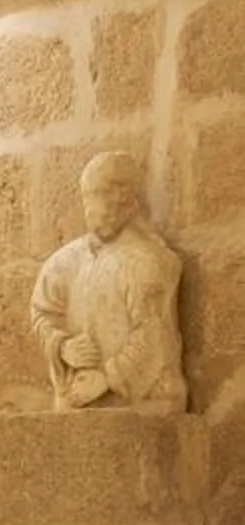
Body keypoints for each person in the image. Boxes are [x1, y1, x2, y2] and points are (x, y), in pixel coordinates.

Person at [30, 150, 186, 411]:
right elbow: (43, 313)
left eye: (99, 193)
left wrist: (108, 377)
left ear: (125, 199)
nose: (91, 205)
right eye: (87, 195)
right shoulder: (63, 263)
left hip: (143, 406)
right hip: (75, 400)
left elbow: (154, 333)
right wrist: (62, 346)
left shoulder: (148, 261)